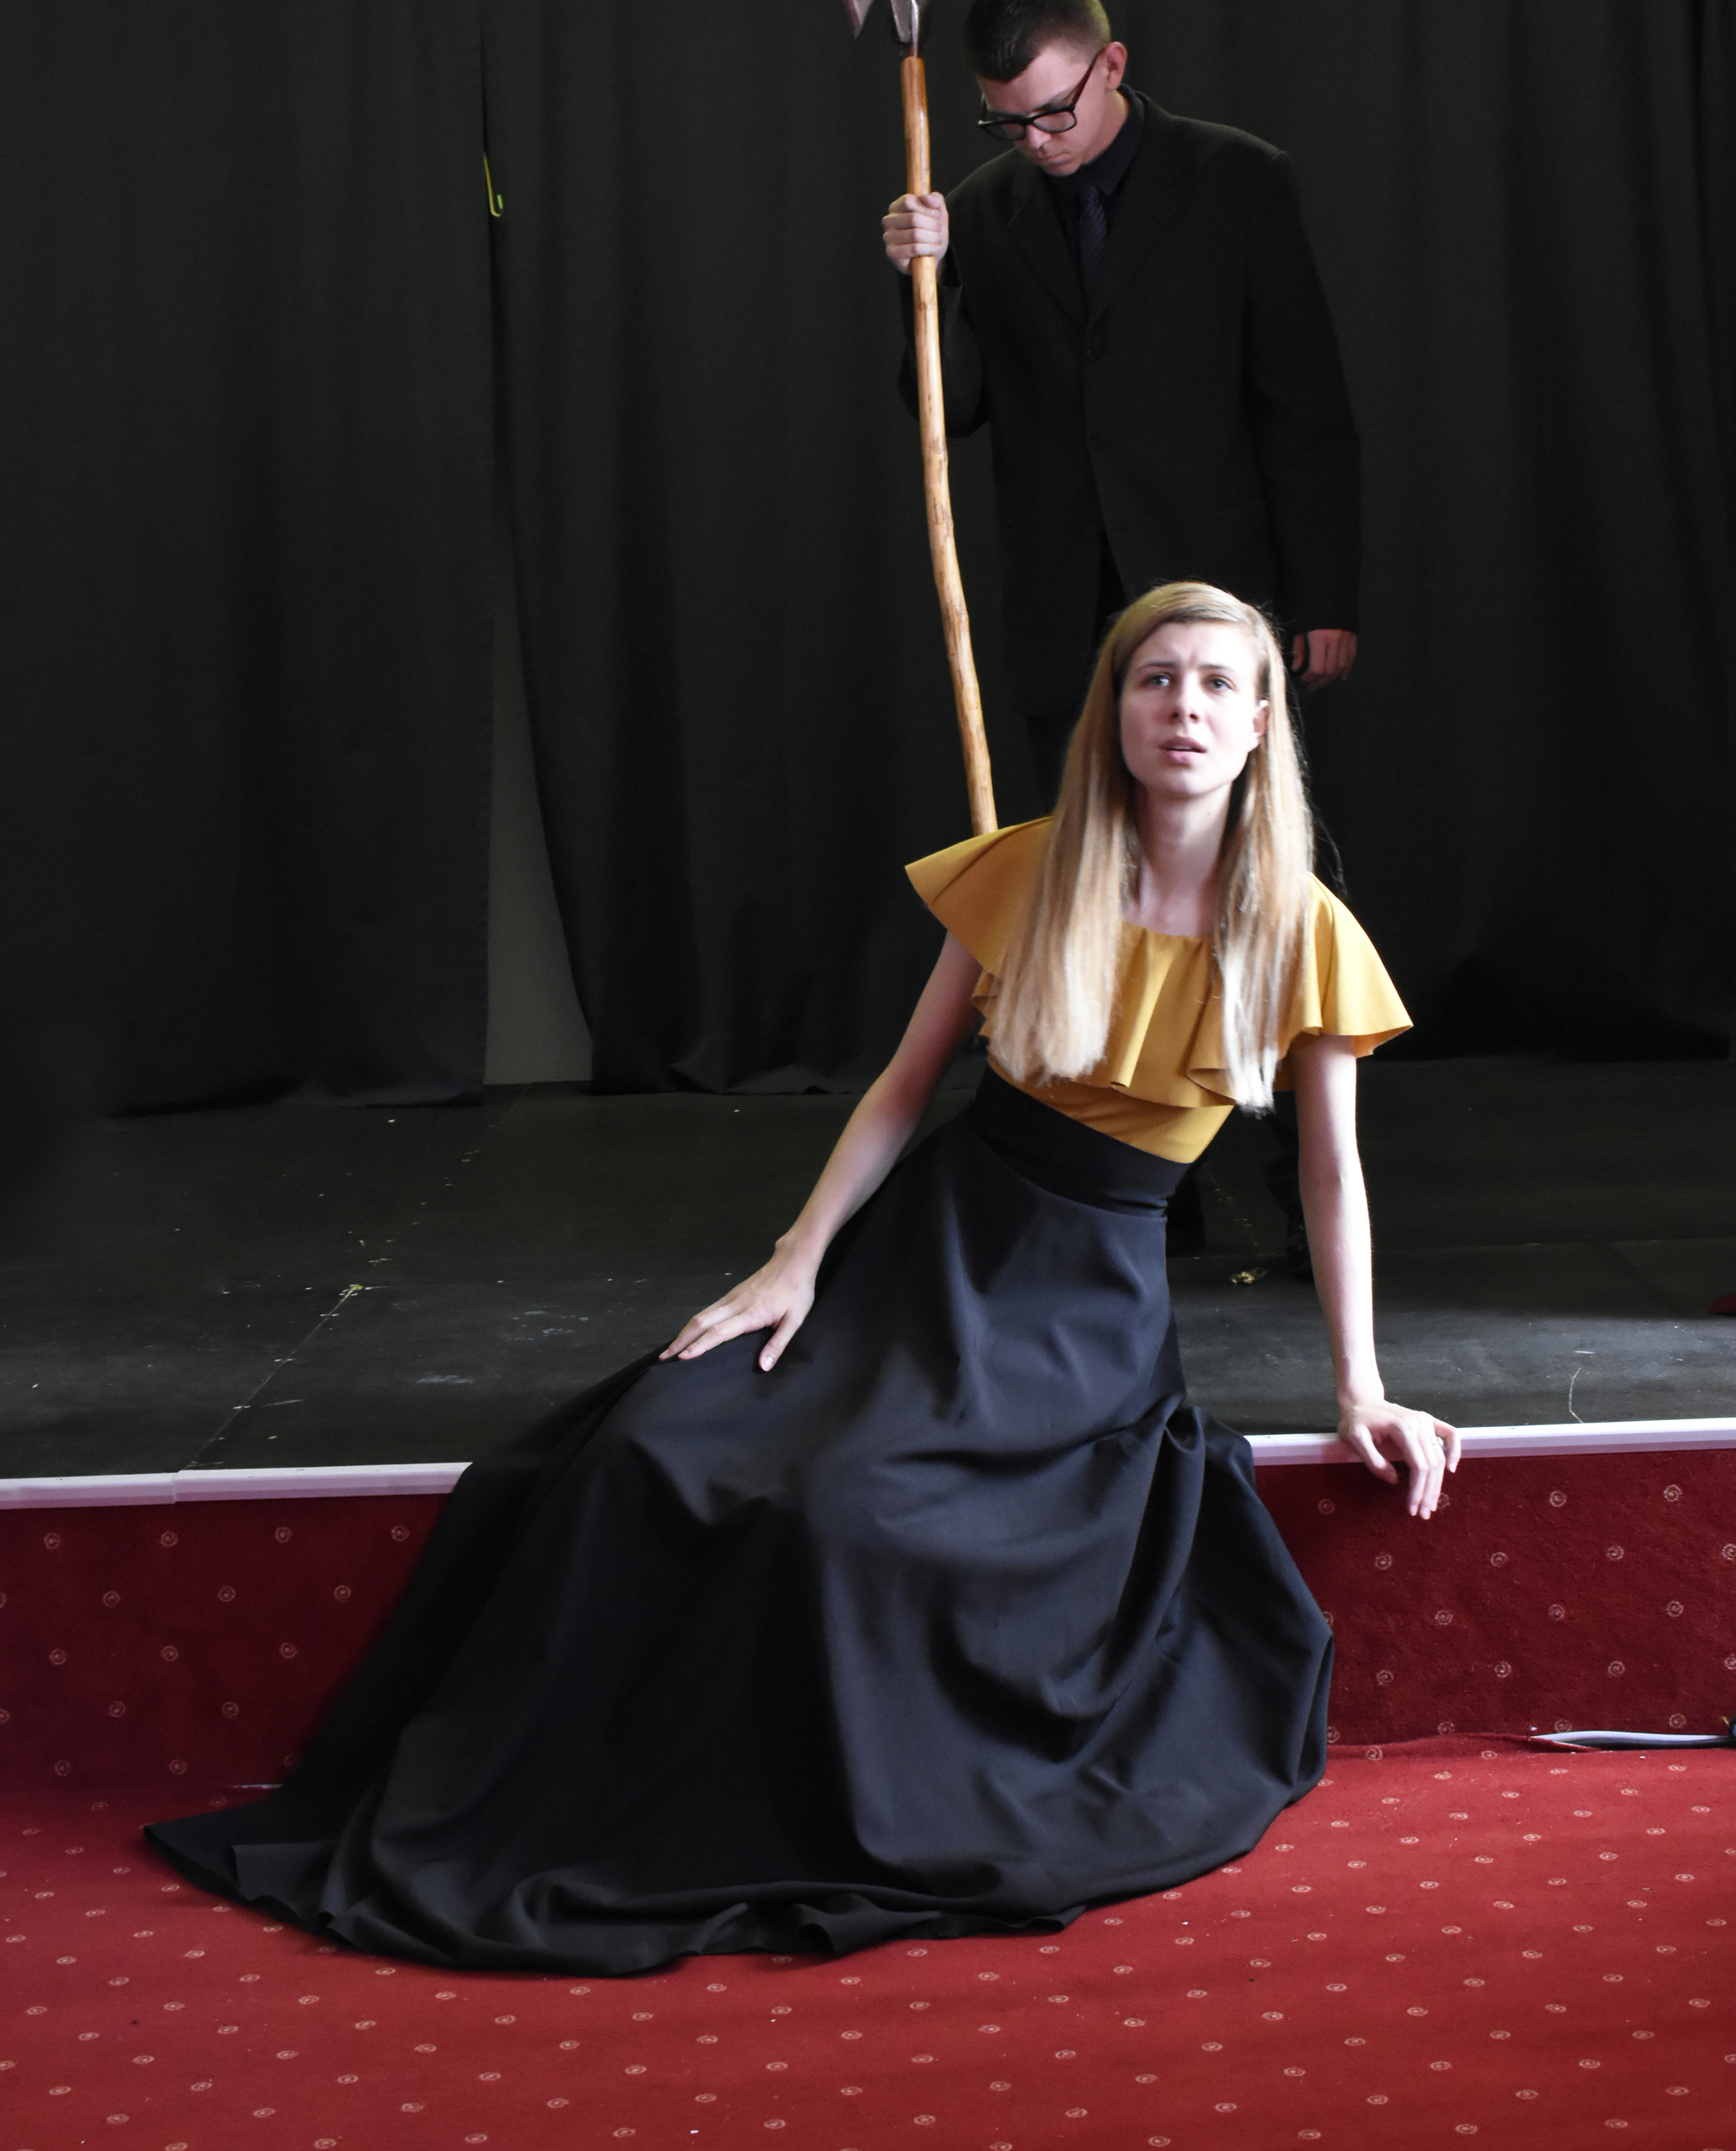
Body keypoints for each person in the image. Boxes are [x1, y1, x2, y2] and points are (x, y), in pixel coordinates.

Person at [149, 582, 1457, 1977]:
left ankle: (803, 1814)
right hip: (932, 1244)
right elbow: (899, 1092)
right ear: (1114, 712)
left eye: (1215, 684)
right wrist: (797, 1257)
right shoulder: (1028, 870)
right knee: (649, 1451)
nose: (1182, 706)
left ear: (1259, 725)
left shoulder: (1305, 932)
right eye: (1155, 679)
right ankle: (577, 1805)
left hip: (1080, 1307)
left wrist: (1360, 1388)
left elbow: (1331, 1177)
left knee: (850, 1512)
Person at [884, 0, 1361, 806]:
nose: (1036, 140)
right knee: (1084, 861)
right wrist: (929, 280)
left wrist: (1323, 596)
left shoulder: (1237, 180)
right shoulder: (980, 212)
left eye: (1053, 111)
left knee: (1226, 856)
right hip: (1061, 621)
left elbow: (1304, 406)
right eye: (1007, 122)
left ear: (1110, 64)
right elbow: (951, 409)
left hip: (1212, 598)